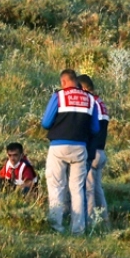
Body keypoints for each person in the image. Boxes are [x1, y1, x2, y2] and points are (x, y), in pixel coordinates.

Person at [40, 69, 99, 234]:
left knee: (56, 187)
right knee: (77, 189)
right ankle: (78, 230)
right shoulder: (90, 99)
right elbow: (95, 128)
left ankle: (56, 226)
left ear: (64, 82)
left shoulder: (59, 96)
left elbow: (45, 123)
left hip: (58, 146)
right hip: (80, 147)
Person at [77, 74, 109, 224]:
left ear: (83, 87)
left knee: (89, 189)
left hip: (92, 151)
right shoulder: (101, 103)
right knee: (97, 189)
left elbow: (92, 129)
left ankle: (89, 222)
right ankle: (104, 221)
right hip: (101, 152)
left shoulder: (90, 103)